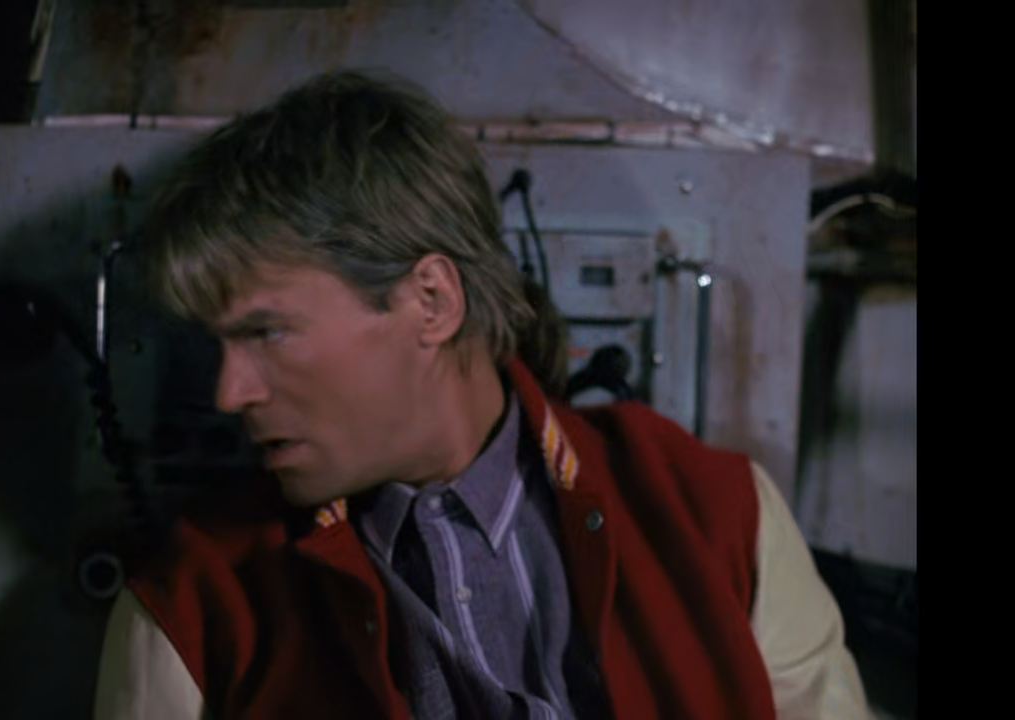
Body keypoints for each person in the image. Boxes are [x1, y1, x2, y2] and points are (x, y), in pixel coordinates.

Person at [94, 69, 872, 719]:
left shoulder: (719, 517)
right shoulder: (191, 607)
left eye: (267, 333)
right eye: (219, 346)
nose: (229, 392)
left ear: (430, 301)